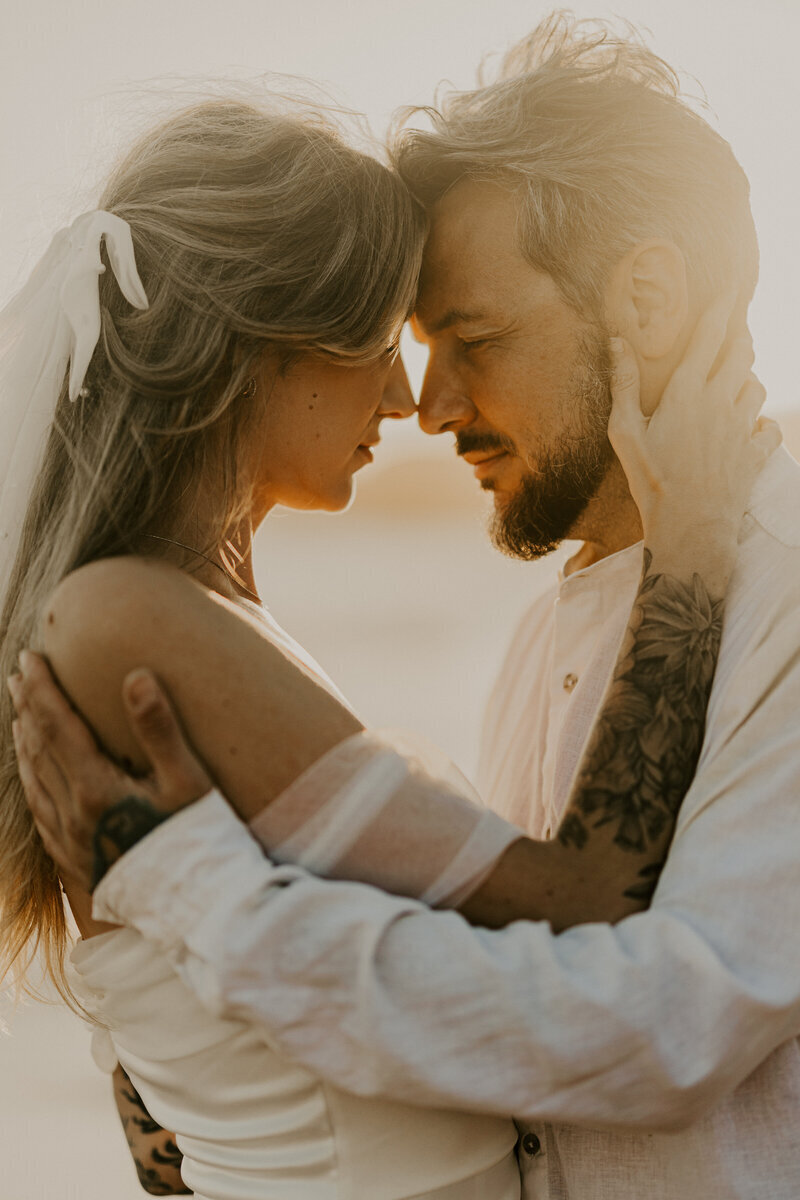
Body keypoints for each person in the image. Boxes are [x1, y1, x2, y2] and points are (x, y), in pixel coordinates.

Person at [2, 17, 790, 1200]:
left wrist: (193, 894)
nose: (420, 401)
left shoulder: (778, 594)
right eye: (395, 341)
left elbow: (651, 1020)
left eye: (468, 337)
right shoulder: (548, 635)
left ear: (647, 298)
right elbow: (540, 956)